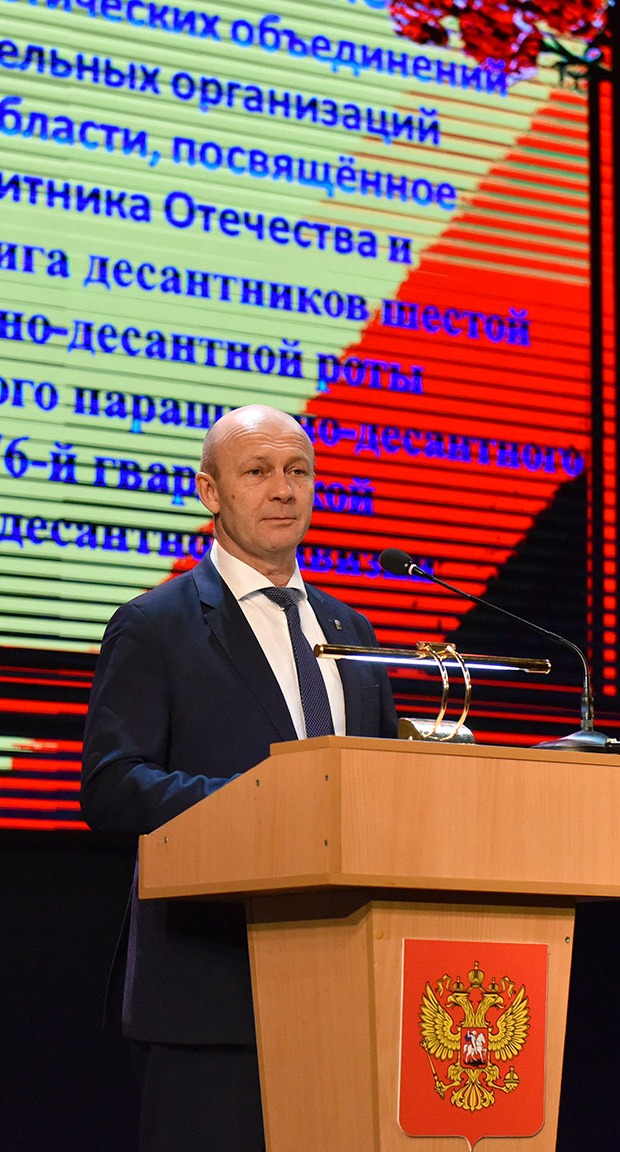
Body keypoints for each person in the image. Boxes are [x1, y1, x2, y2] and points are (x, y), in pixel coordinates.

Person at [81, 404, 398, 1151]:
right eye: (257, 471)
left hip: (349, 990)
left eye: (298, 471)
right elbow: (113, 784)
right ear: (211, 493)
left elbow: (379, 783)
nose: (283, 490)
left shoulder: (351, 631)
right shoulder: (157, 624)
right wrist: (263, 802)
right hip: (211, 998)